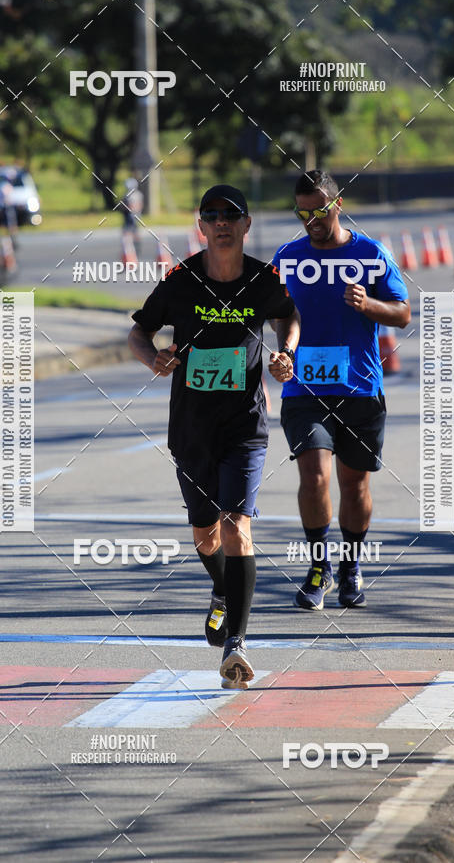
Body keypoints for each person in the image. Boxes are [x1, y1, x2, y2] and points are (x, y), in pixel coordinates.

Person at [128, 185, 300, 688]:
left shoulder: (264, 279)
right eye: (211, 215)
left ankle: (237, 646)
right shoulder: (180, 281)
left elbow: (287, 315)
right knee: (205, 533)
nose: (221, 222)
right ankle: (223, 590)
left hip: (245, 425)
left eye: (232, 215)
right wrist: (152, 357)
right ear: (201, 226)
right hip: (190, 427)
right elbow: (138, 332)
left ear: (246, 225)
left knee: (236, 524)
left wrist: (285, 351)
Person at [273, 170, 410, 611]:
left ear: (338, 203)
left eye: (319, 210)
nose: (311, 219)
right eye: (302, 212)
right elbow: (276, 311)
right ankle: (319, 567)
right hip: (304, 389)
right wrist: (283, 350)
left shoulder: (369, 254)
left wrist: (368, 305)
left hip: (359, 388)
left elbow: (403, 313)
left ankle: (350, 565)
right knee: (314, 478)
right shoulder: (289, 256)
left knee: (354, 487)